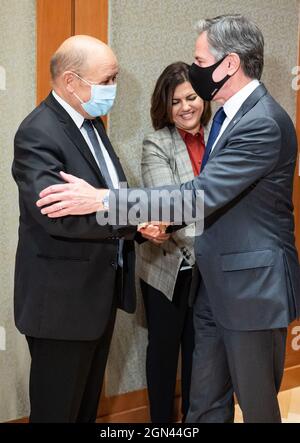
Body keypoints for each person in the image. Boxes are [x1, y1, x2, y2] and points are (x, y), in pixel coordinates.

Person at [36, 15, 300, 423]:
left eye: (199, 59)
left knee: (257, 406)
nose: (194, 71)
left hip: (253, 289)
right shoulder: (229, 116)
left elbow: (198, 196)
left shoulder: (261, 122)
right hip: (214, 285)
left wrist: (103, 199)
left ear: (228, 64)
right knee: (204, 405)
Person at [12, 34, 158, 423]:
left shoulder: (91, 124)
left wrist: (138, 228)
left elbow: (102, 198)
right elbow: (59, 214)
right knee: (58, 412)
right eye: (107, 80)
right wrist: (134, 219)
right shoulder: (38, 132)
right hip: (61, 307)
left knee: (84, 410)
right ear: (72, 81)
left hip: (95, 298)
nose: (113, 89)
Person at [137, 61, 211, 422]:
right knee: (164, 354)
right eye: (176, 101)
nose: (185, 107)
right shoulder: (156, 142)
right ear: (164, 107)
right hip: (168, 266)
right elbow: (169, 202)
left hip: (211, 270)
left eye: (192, 97)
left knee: (202, 353)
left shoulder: (221, 135)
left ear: (204, 98)